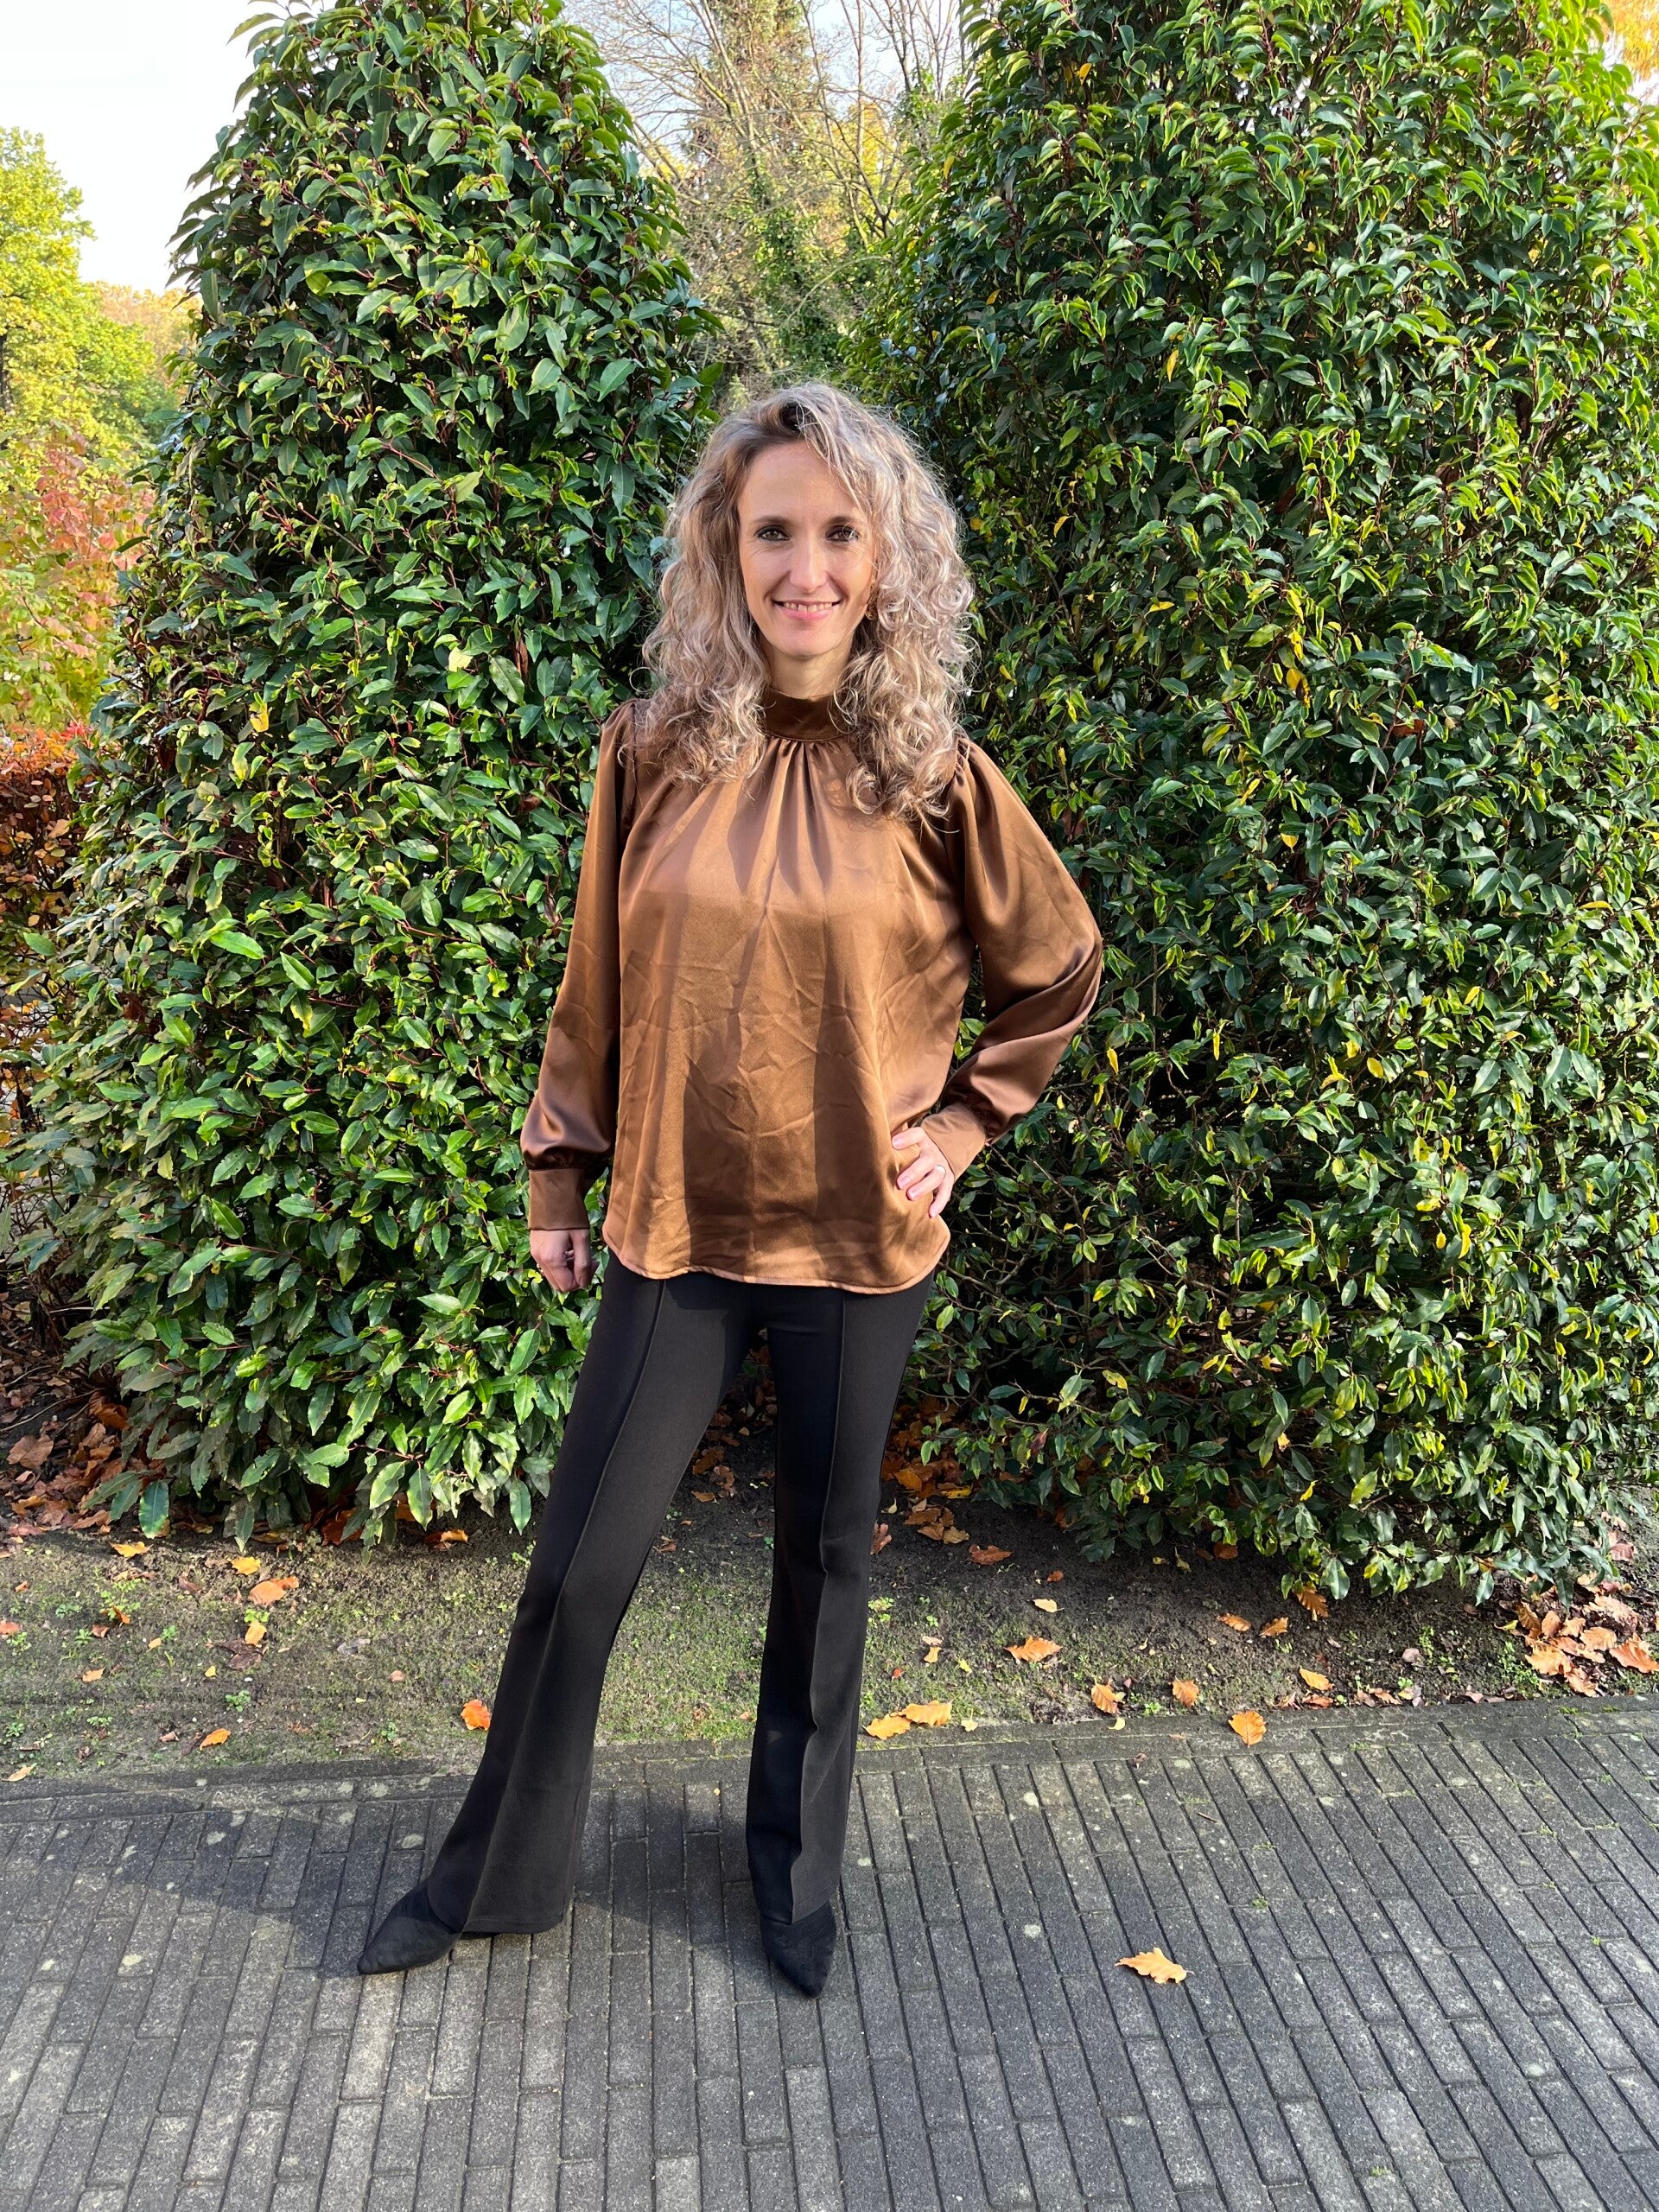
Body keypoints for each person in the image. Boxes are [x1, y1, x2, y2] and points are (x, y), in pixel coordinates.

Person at [358, 382, 1103, 1996]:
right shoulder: (652, 753)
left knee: (825, 1568)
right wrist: (558, 1174)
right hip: (677, 1227)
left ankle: (793, 1875)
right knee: (578, 1567)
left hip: (859, 1238)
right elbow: (597, 984)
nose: (805, 570)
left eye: (840, 535)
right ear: (726, 547)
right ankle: (495, 1880)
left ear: (888, 562)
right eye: (775, 532)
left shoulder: (937, 778)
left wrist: (965, 1125)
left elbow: (1058, 967)